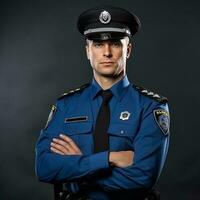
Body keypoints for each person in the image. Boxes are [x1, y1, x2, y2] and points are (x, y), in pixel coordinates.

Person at [35, 6, 170, 200]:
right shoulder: (66, 105)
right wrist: (109, 159)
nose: (106, 52)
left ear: (128, 50)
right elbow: (44, 167)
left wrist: (76, 169)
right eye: (98, 44)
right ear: (88, 51)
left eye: (115, 43)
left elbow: (142, 177)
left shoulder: (151, 107)